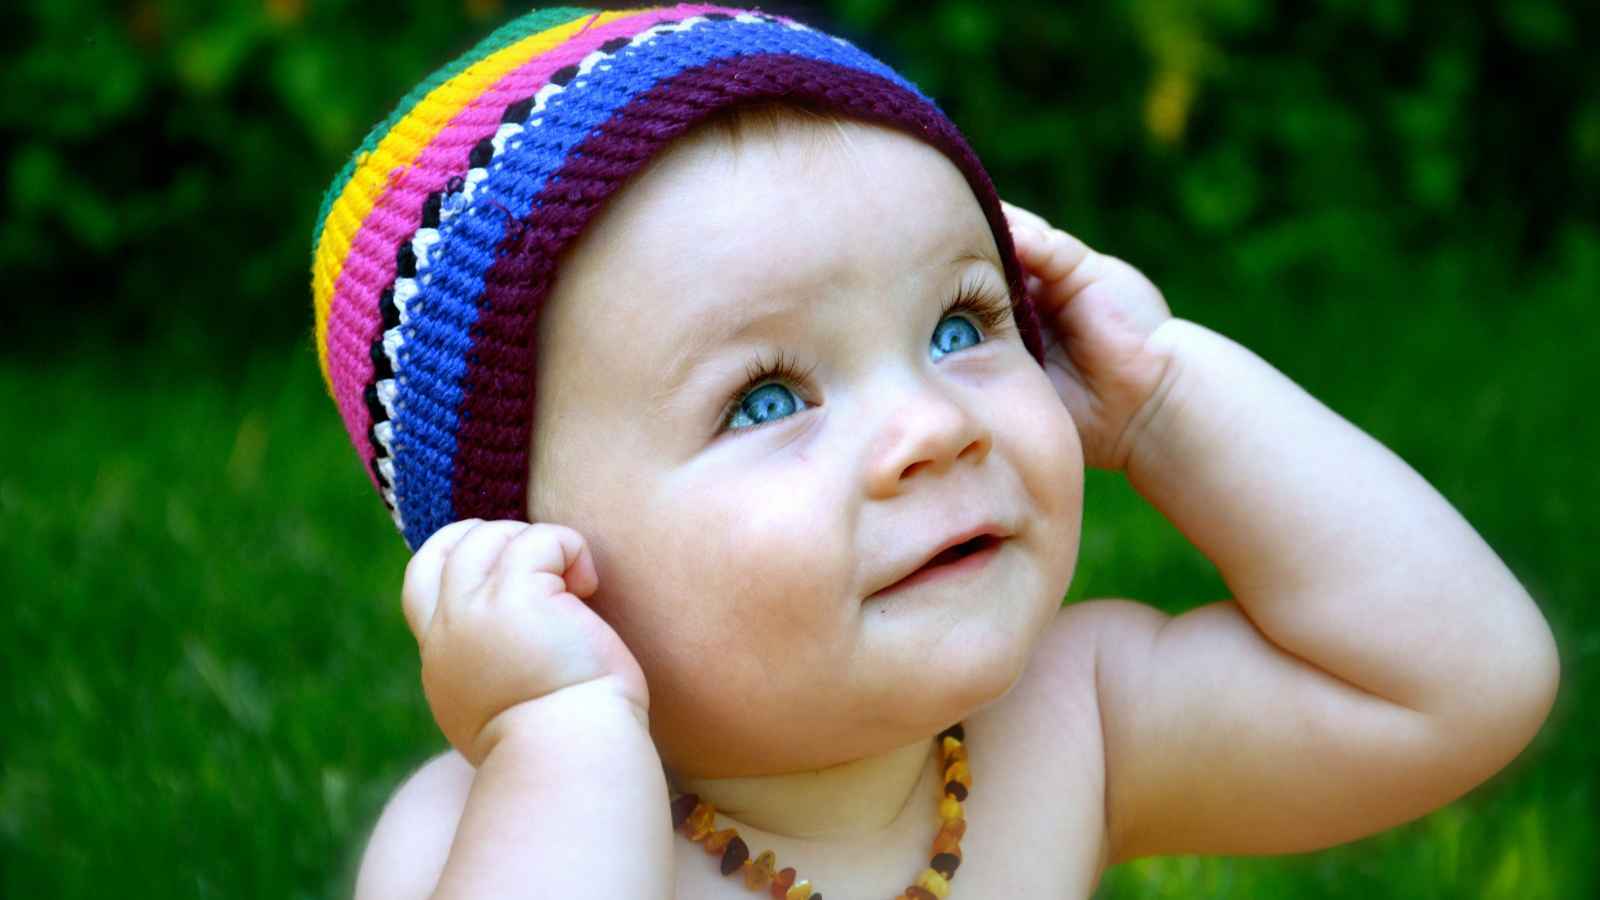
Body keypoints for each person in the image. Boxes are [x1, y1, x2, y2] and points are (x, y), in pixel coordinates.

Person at [307, 7, 1559, 899]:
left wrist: (1165, 397)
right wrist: (563, 730)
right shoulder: (490, 827)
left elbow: (1457, 686)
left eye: (961, 324)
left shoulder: (1067, 728)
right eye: (765, 399)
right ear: (532, 553)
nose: (932, 425)